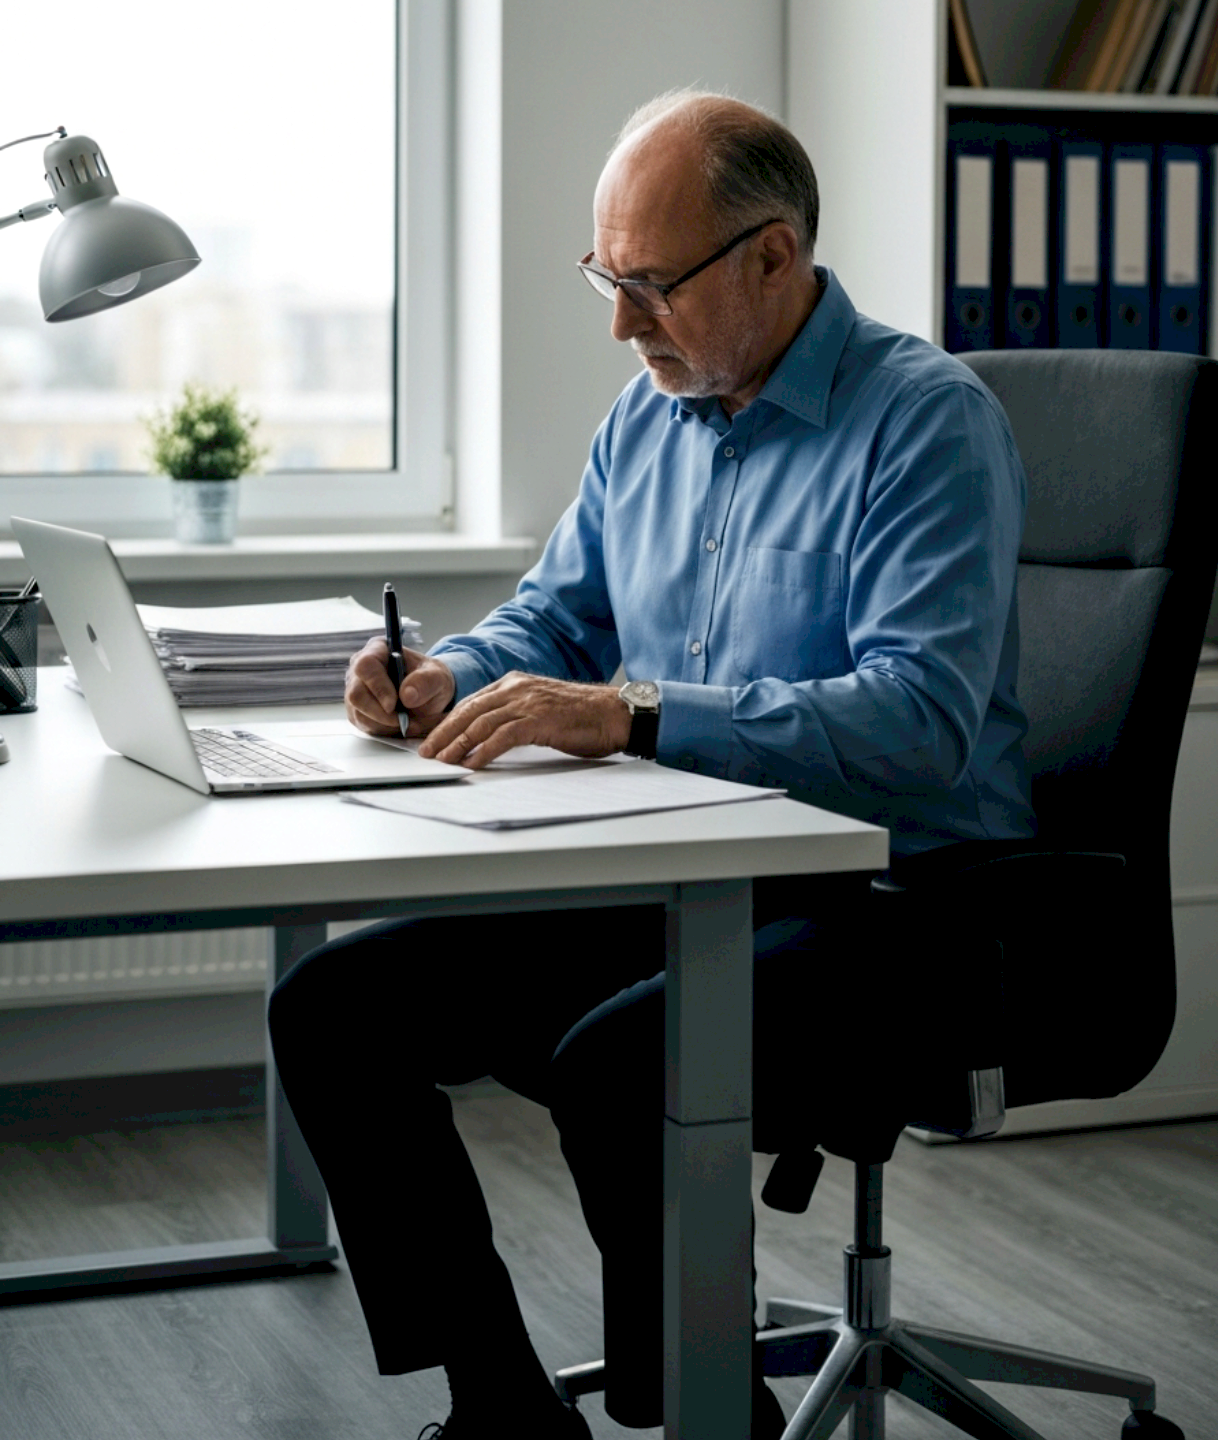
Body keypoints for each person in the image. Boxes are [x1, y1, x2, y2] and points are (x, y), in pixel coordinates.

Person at [268, 91, 1034, 1439]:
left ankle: (707, 1413)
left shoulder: (925, 422)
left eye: (650, 286)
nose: (622, 323)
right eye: (604, 279)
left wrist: (627, 712)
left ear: (772, 258)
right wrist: (450, 667)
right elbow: (551, 619)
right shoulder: (647, 419)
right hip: (700, 879)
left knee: (625, 1059)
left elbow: (916, 722)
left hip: (906, 899)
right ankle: (503, 1408)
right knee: (335, 1005)